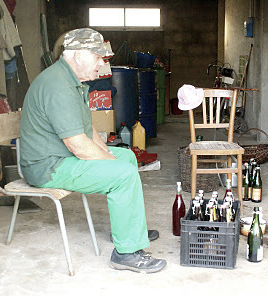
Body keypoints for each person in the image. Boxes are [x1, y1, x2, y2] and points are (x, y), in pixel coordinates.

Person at [19, 28, 166, 273]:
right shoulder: (57, 85)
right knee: (121, 173)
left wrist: (110, 157)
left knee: (126, 157)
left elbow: (89, 133)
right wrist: (110, 164)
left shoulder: (71, 81)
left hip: (62, 157)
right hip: (47, 167)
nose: (101, 63)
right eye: (97, 57)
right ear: (78, 56)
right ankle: (126, 253)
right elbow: (77, 145)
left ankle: (128, 230)